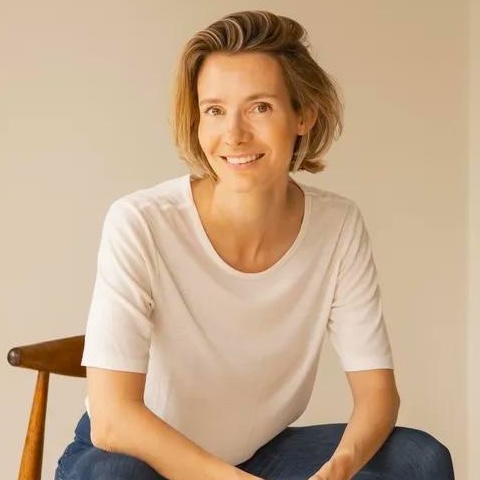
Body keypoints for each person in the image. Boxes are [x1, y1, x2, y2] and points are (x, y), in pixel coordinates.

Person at [54, 10, 455, 480]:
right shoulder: (140, 222)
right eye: (215, 110)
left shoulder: (337, 225)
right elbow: (113, 419)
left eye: (260, 107)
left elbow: (377, 395)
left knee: (421, 459)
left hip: (258, 451)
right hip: (138, 456)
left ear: (303, 114)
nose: (234, 134)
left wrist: (339, 468)